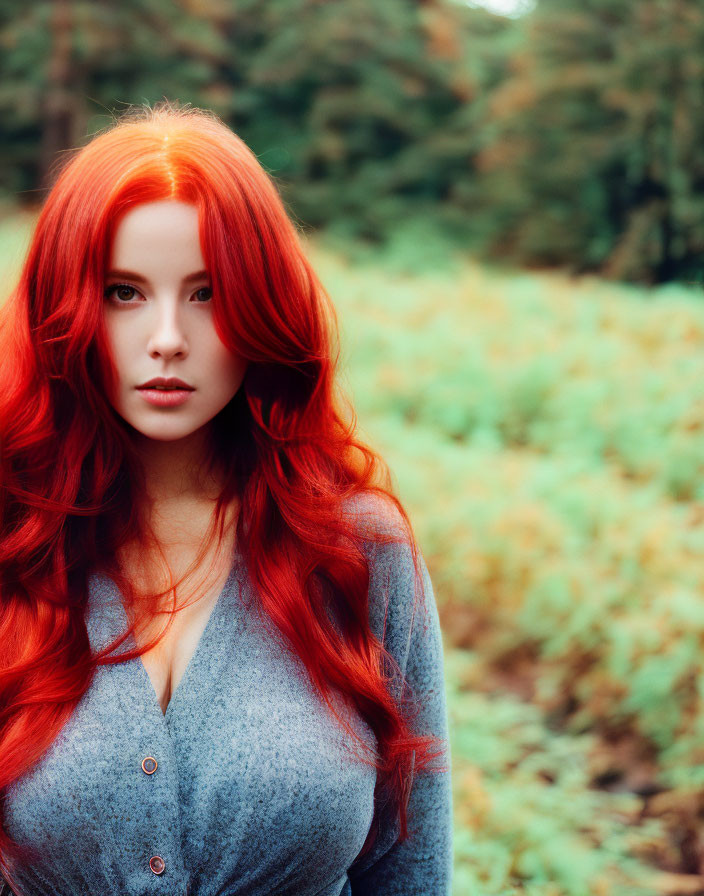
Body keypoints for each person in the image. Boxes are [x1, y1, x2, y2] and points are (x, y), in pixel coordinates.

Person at [0, 102, 452, 896]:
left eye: (207, 294)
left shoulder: (359, 551)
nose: (168, 336)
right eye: (123, 292)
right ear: (62, 310)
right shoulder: (13, 541)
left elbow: (409, 870)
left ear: (262, 310)